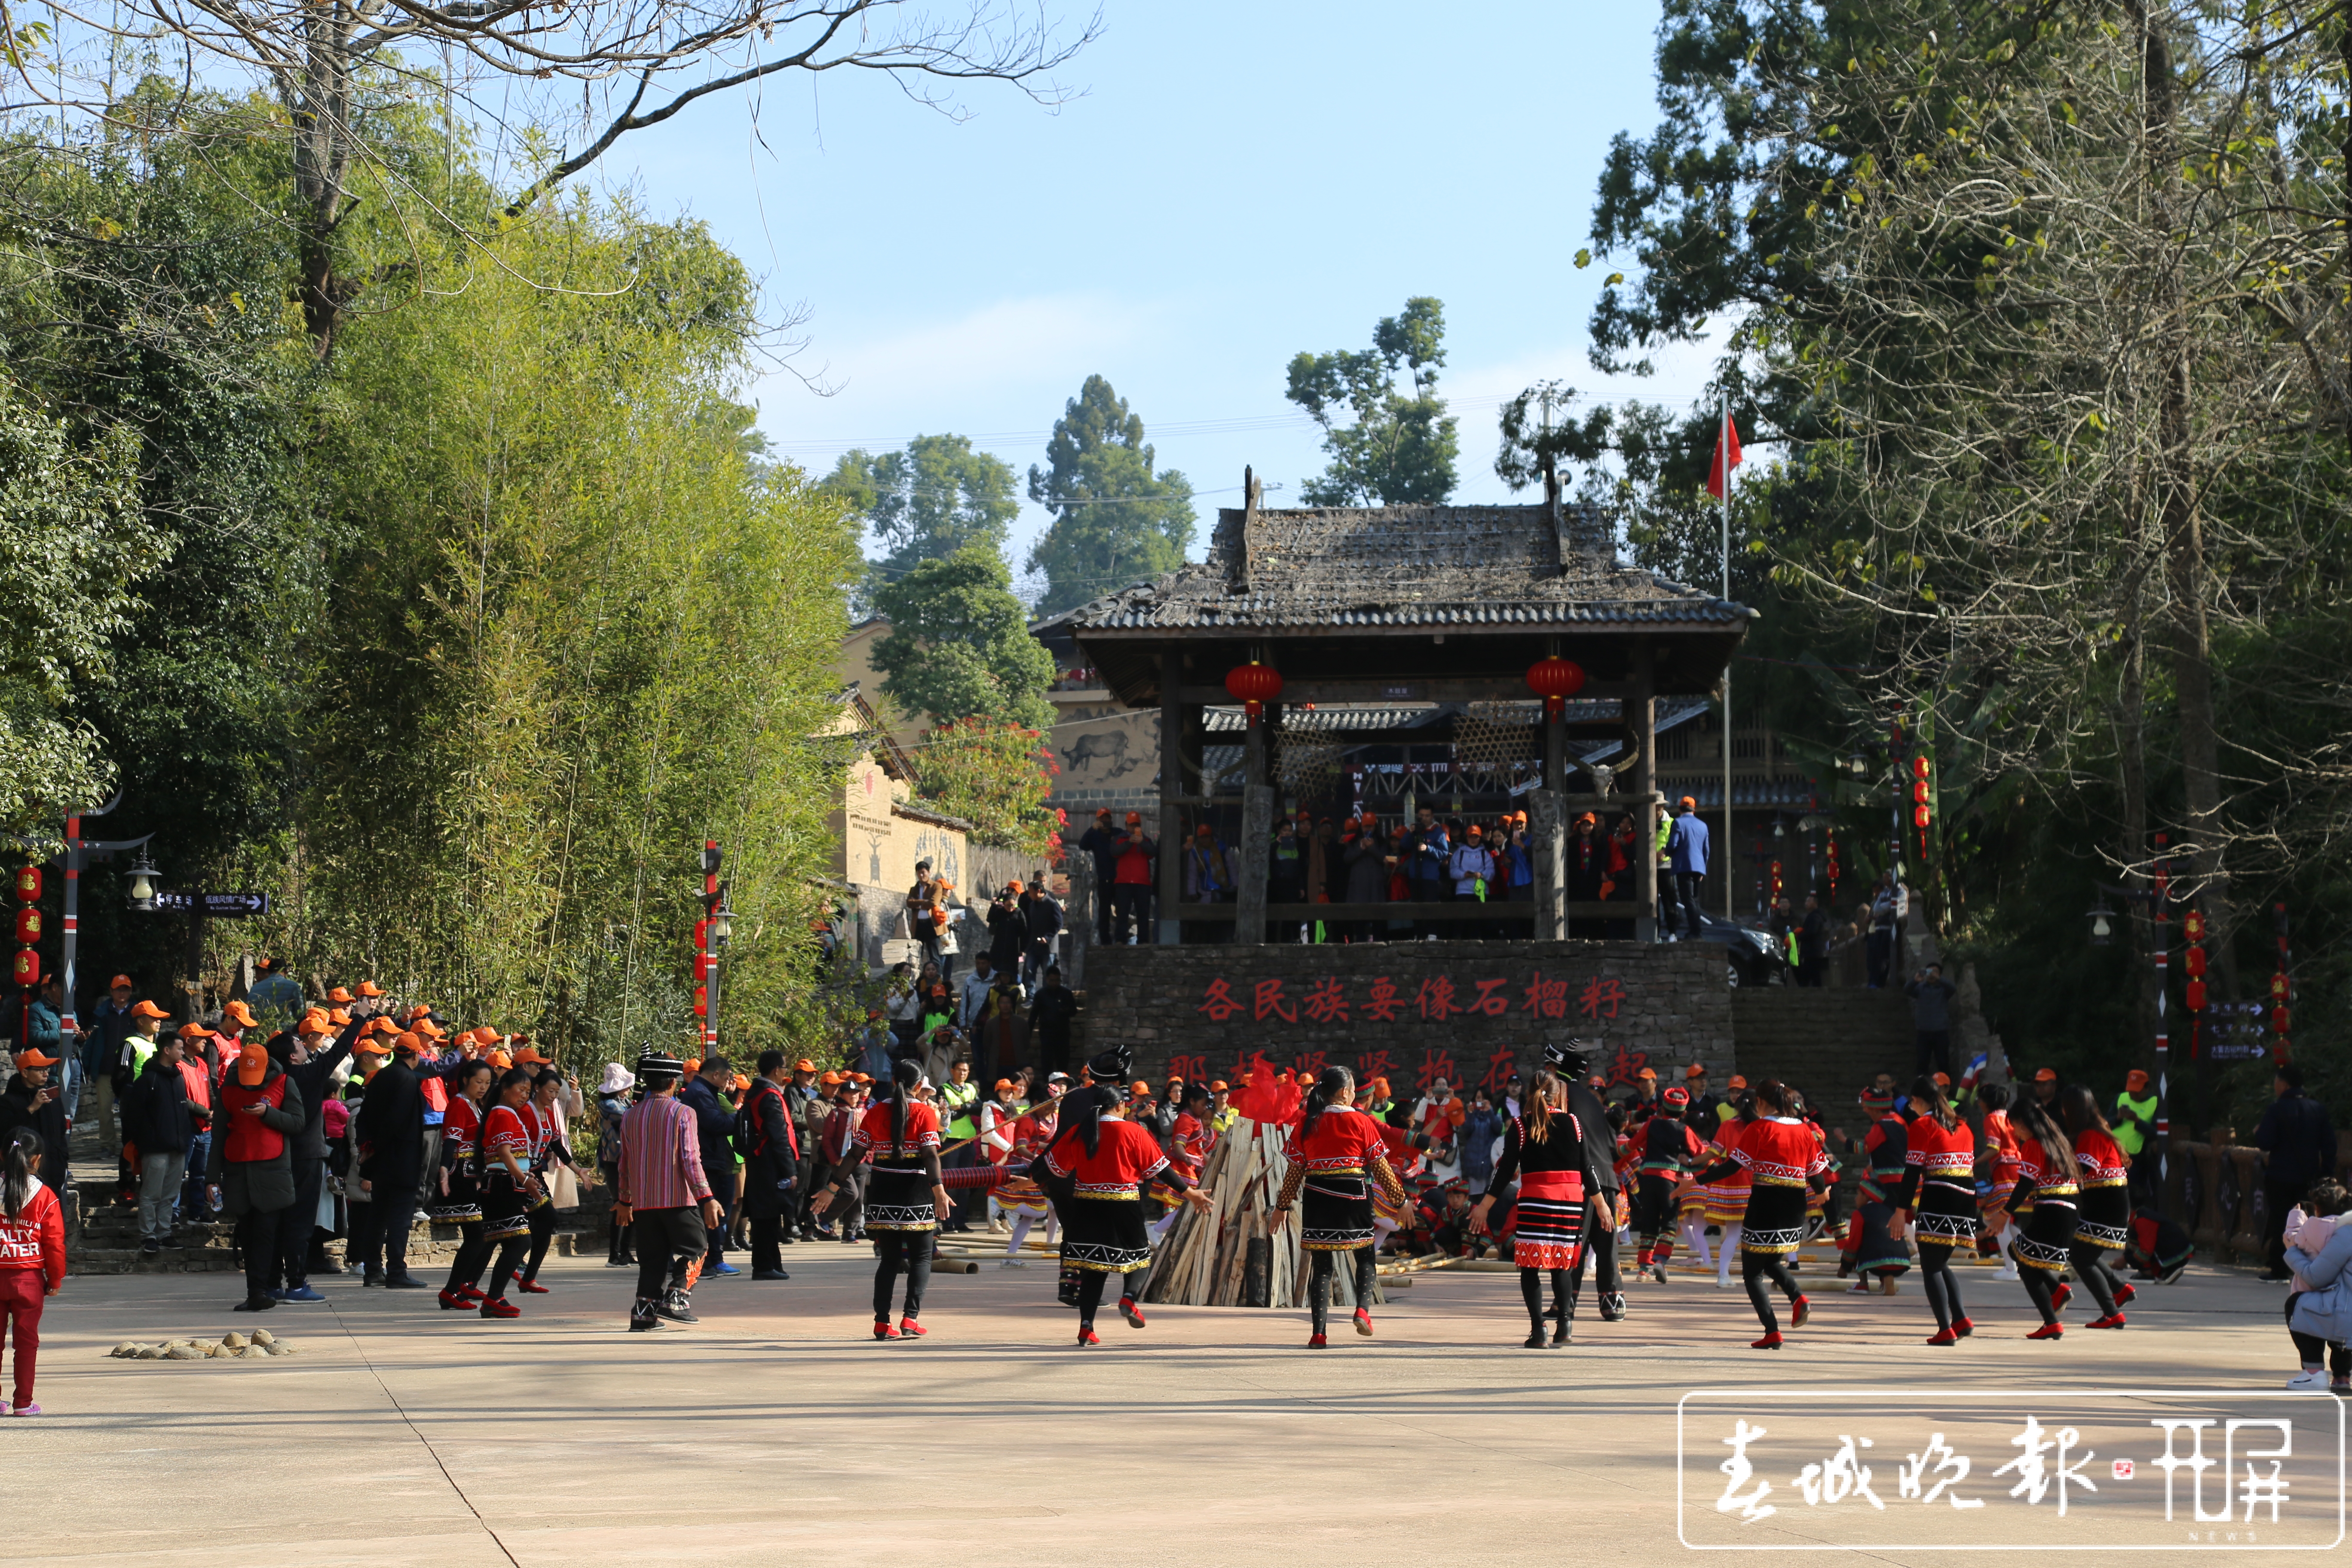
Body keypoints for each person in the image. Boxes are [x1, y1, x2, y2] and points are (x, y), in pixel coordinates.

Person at [1038, 1055, 1210, 1346]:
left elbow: (1052, 1168)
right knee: (1140, 1259)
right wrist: (1191, 1193)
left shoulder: (1080, 1131)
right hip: (1124, 1203)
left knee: (1093, 1267)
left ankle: (1086, 1328)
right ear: (1120, 1105)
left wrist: (1027, 1180)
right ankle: (1130, 1299)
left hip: (1086, 1205)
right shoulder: (1133, 1131)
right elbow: (1161, 1169)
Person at [1268, 1066, 1406, 1348]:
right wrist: (1400, 1201)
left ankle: (1319, 1334)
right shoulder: (1361, 1121)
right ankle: (1363, 1312)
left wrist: (1281, 1207)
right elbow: (1381, 1169)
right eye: (1354, 1088)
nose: (1355, 1093)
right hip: (1353, 1196)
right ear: (1344, 1093)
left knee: (1322, 1268)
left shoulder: (1308, 1123)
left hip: (1318, 1198)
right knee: (1366, 1257)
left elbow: (1294, 1172)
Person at [1685, 1078, 1828, 1349]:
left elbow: (1731, 1167)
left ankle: (1773, 1331)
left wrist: (1695, 1181)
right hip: (1795, 1206)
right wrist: (1823, 1193)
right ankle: (1798, 1298)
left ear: (1760, 1103)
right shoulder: (1804, 1130)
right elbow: (1816, 1175)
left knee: (1752, 1273)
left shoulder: (1759, 1128)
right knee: (1771, 1260)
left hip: (1767, 1203)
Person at [817, 1057, 952, 1340]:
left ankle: (881, 1323)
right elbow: (929, 1155)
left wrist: (832, 1188)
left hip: (882, 1192)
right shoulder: (926, 1113)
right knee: (922, 1258)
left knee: (889, 1261)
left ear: (893, 1082)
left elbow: (855, 1154)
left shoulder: (876, 1111)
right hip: (916, 1193)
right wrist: (939, 1189)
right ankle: (910, 1319)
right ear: (919, 1085)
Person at [1470, 1066, 1596, 1348]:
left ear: (1529, 1094)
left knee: (1531, 1266)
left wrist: (1484, 1206)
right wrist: (1602, 1205)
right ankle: (1565, 1326)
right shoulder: (1573, 1123)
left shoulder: (1520, 1126)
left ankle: (1538, 1331)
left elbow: (1504, 1172)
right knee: (1561, 1264)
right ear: (1557, 1095)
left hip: (1536, 1199)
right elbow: (1586, 1168)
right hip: (1569, 1201)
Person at [616, 1051, 720, 1331]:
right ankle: (676, 1299)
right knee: (698, 1248)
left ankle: (644, 1314)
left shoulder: (630, 1116)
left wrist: (624, 1200)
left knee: (653, 1260)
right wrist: (707, 1198)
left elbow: (624, 1162)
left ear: (647, 1082)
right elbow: (690, 1159)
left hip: (644, 1203)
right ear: (674, 1082)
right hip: (677, 1200)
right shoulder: (682, 1113)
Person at [208, 1036, 306, 1313]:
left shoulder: (285, 1083)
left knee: (266, 1233)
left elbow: (298, 1123)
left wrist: (269, 1113)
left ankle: (262, 1290)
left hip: (271, 1170)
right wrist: (211, 1178)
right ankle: (255, 1293)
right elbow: (218, 1137)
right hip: (238, 1171)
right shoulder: (228, 1091)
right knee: (248, 1235)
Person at [1890, 1075, 1978, 1344]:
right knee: (1938, 1263)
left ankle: (1945, 1329)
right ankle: (1961, 1319)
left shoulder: (1922, 1125)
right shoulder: (1963, 1126)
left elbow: (1912, 1172)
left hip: (1940, 1196)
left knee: (1931, 1268)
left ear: (1916, 1101)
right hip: (1966, 1198)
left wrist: (1900, 1211)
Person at [351, 1029, 431, 1288]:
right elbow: (396, 1122)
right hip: (401, 1160)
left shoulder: (382, 1076)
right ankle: (396, 1271)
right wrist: (379, 1146)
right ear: (417, 1055)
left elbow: (364, 1117)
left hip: (380, 1162)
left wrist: (369, 1147)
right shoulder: (407, 1079)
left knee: (377, 1216)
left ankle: (373, 1271)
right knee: (399, 1218)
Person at [464, 1067, 542, 1318]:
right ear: (506, 1089)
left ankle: (488, 1295)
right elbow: (505, 1152)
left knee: (510, 1239)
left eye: (529, 1092)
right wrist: (524, 1179)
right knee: (521, 1240)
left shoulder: (508, 1113)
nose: (524, 1096)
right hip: (502, 1185)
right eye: (521, 1090)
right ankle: (492, 1297)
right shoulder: (502, 1114)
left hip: (508, 1184)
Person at [2056, 1083, 2134, 1330]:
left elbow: (2083, 1171)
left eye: (2065, 1109)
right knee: (2081, 1252)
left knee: (2081, 1258)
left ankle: (2112, 1313)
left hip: (2107, 1203)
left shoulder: (2091, 1135)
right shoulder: (2095, 1130)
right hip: (2103, 1201)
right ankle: (2119, 1289)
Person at [2004, 1095, 2082, 1339]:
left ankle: (2052, 1321)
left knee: (2025, 1263)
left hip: (2052, 1211)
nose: (2016, 1133)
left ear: (2022, 1123)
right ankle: (2057, 1290)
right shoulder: (2058, 1143)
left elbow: (2025, 1183)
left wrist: (2005, 1213)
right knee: (2021, 1254)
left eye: (2015, 1127)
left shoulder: (2033, 1145)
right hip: (2068, 1209)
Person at [0, 1129, 64, 1416]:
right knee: (27, 1344)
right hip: (29, 1280)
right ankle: (23, 1403)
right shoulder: (46, 1196)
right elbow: (54, 1243)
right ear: (37, 1160)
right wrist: (55, 1279)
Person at [120, 1033, 202, 1255]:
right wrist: (142, 1141)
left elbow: (184, 1109)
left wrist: (183, 1138)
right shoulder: (148, 1080)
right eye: (179, 1048)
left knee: (170, 1195)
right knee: (151, 1194)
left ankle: (164, 1233)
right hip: (155, 1148)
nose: (183, 1053)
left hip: (178, 1147)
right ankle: (148, 1236)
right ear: (166, 1050)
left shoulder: (178, 1078)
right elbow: (133, 1115)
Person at [2256, 1062, 2338, 1282]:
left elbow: (2265, 1141)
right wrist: (2325, 1173)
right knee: (2309, 1221)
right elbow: (2330, 1145)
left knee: (2281, 1221)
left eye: (2276, 1083)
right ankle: (2309, 1267)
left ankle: (2279, 1268)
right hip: (2309, 1177)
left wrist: (2258, 1131)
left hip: (2279, 1177)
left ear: (2283, 1085)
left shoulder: (2276, 1109)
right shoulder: (2317, 1109)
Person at [517, 1066, 593, 1294]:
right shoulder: (525, 1112)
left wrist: (578, 1170)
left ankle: (527, 1276)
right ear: (537, 1088)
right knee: (543, 1219)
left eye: (557, 1092)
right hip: (521, 1175)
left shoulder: (550, 1114)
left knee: (548, 1220)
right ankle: (517, 1270)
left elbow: (556, 1145)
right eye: (550, 1091)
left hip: (536, 1175)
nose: (553, 1096)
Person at [433, 1060, 499, 1309]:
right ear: (465, 1081)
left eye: (487, 1083)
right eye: (478, 1082)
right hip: (461, 1175)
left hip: (474, 1175)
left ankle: (462, 1285)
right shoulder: (459, 1104)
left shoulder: (475, 1105)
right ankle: (452, 1289)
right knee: (478, 1236)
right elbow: (451, 1139)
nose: (483, 1088)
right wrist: (443, 1166)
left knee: (481, 1235)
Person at [2280, 1179, 2352, 1390]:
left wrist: (2292, 1253)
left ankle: (2313, 1373)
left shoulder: (2345, 1234)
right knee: (2336, 1314)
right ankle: (2342, 1377)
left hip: (2346, 1312)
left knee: (2297, 1305)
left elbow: (2317, 1277)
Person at [1632, 1086, 1704, 1283]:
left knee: (1649, 1222)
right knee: (1670, 1222)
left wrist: (1616, 1157)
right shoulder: (1685, 1130)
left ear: (1662, 1109)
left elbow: (1632, 1145)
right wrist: (1708, 1168)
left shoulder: (1651, 1125)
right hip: (1671, 1180)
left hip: (1648, 1179)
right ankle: (1660, 1260)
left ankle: (1643, 1270)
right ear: (1684, 1113)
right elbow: (1701, 1154)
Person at [736, 1051, 798, 1280]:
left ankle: (772, 1264)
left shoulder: (755, 1093)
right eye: (785, 1069)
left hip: (758, 1161)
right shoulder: (770, 1096)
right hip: (769, 1162)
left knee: (768, 1217)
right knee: (767, 1216)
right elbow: (779, 1137)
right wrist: (790, 1171)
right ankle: (764, 1266)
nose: (785, 1073)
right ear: (776, 1070)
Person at [681, 1056, 741, 1277]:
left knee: (717, 1214)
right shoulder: (699, 1093)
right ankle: (706, 1261)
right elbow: (714, 1123)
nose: (727, 1083)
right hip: (708, 1159)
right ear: (716, 1075)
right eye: (726, 1078)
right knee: (710, 1214)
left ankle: (714, 1259)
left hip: (717, 1159)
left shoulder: (705, 1091)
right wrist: (741, 1120)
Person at [0, 1050, 70, 1195]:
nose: (46, 1074)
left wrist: (62, 1159)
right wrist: (31, 1109)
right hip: (23, 1178)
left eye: (47, 1070)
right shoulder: (8, 1101)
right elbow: (6, 1134)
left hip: (53, 1174)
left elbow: (62, 1131)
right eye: (40, 1070)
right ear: (25, 1073)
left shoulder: (52, 1097)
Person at [82, 974, 139, 1152]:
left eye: (126, 989)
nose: (122, 993)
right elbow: (91, 1041)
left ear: (130, 991)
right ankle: (107, 1146)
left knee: (131, 1112)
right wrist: (87, 1066)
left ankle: (131, 1146)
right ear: (111, 991)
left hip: (131, 1071)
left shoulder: (138, 1013)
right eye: (118, 989)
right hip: (106, 1070)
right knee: (105, 1111)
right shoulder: (101, 1014)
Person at [2112, 1069, 2160, 1208]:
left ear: (2147, 1088)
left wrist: (2137, 1121)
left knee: (2133, 1196)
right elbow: (2106, 1123)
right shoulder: (2121, 1098)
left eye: (2137, 1091)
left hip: (2136, 1158)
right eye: (2131, 1090)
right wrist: (2118, 1118)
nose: (2133, 1094)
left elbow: (2156, 1133)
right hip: (2114, 1155)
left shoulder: (2155, 1103)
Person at [1665, 796, 1710, 940]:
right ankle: (1697, 931)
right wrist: (1703, 868)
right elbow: (1706, 850)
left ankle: (1695, 932)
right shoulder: (1703, 825)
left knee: (1688, 900)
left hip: (1684, 866)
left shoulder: (1678, 823)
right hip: (1699, 867)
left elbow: (1673, 845)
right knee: (1695, 900)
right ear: (1694, 810)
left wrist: (1665, 852)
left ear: (1680, 809)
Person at [1076, 808, 1122, 944]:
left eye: (1107, 818)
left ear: (1111, 819)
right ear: (1098, 821)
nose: (1105, 821)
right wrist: (1091, 829)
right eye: (1102, 819)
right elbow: (1083, 846)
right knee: (1104, 911)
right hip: (1104, 878)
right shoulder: (1095, 836)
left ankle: (1121, 938)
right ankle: (1105, 940)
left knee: (1122, 910)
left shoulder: (1118, 833)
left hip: (1120, 878)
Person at [1026, 965, 1079, 1079]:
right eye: (1052, 980)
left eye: (1057, 980)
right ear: (1047, 980)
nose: (1054, 983)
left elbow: (1074, 1011)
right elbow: (1034, 1015)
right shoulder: (1041, 995)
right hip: (1047, 1034)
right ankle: (1047, 1086)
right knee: (1047, 1063)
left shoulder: (1066, 993)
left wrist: (1065, 1011)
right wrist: (1028, 1033)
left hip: (1063, 1033)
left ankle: (1064, 1086)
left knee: (1063, 1063)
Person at [1904, 963, 1957, 1077]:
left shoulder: (1944, 989)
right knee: (1922, 1062)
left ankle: (1945, 1089)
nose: (1932, 975)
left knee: (1943, 1062)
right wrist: (1915, 980)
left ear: (1940, 975)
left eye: (1935, 972)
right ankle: (1921, 1089)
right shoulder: (1920, 988)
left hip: (1941, 1033)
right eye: (1929, 972)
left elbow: (1953, 989)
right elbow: (1907, 990)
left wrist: (1940, 979)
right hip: (1923, 1033)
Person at [1112, 815, 1156, 943]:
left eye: (1137, 825)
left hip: (1142, 883)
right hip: (1123, 882)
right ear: (1126, 825)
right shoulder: (1120, 839)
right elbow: (1114, 852)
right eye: (1132, 825)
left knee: (1143, 914)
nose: (1134, 828)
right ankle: (1120, 939)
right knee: (1122, 913)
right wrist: (1129, 842)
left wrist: (1141, 842)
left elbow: (1152, 853)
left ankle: (1143, 941)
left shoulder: (1146, 840)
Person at [1866, 873, 1907, 988]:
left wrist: (1885, 908)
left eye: (1886, 877)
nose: (1884, 879)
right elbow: (1877, 908)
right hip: (1878, 928)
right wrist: (1885, 908)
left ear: (1892, 877)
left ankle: (1881, 982)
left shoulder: (1901, 891)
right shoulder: (1884, 893)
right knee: (1875, 957)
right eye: (1883, 877)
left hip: (1889, 927)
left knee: (1884, 957)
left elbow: (1895, 906)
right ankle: (1873, 982)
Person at [1796, 895, 1831, 987]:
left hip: (1812, 951)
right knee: (1812, 975)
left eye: (1809, 901)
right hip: (1813, 951)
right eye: (1806, 901)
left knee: (1810, 975)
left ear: (1815, 903)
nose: (1806, 903)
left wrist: (1800, 936)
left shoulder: (1815, 917)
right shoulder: (1814, 916)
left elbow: (1812, 932)